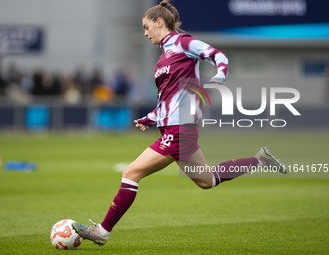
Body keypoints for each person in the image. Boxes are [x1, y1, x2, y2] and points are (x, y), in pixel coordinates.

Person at [72, 0, 286, 246]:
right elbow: (167, 98)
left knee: (131, 173)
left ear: (159, 22)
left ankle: (102, 231)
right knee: (207, 181)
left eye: (146, 26)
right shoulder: (163, 58)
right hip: (176, 128)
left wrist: (219, 77)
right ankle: (260, 159)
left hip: (180, 129)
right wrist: (150, 118)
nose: (144, 32)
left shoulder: (183, 43)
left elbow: (217, 55)